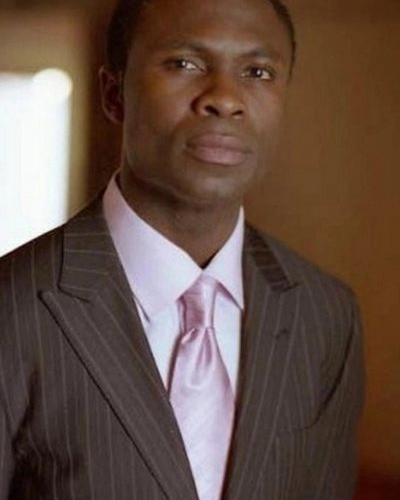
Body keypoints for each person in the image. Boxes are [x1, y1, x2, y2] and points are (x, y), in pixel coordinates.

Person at [0, 0, 364, 498]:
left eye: (258, 72)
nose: (225, 99)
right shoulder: (12, 307)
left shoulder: (326, 315)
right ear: (114, 94)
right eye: (185, 63)